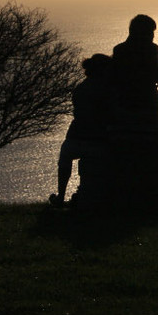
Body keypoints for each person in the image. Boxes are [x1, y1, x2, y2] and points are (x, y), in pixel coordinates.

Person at [49, 53, 117, 207]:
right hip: (96, 140)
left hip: (75, 138)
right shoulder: (106, 90)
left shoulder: (81, 88)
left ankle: (61, 195)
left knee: (65, 159)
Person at [111, 14, 158, 127]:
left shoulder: (119, 50)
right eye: (150, 32)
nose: (152, 36)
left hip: (125, 106)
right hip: (148, 105)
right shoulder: (151, 49)